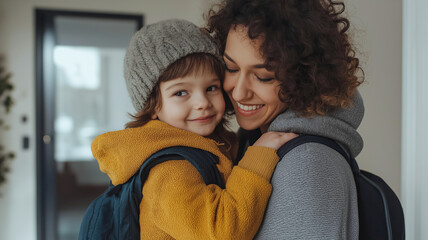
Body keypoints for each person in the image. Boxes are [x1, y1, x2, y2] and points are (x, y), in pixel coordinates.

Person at [91, 19, 296, 239]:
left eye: (211, 88)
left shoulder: (210, 145)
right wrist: (258, 157)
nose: (202, 102)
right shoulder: (169, 171)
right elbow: (221, 231)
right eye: (181, 93)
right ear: (152, 106)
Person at [207, 0, 364, 239]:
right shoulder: (255, 141)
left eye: (263, 76)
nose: (238, 92)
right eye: (231, 68)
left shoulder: (306, 163)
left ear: (304, 77)